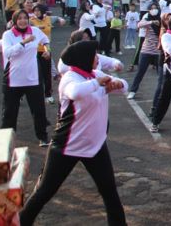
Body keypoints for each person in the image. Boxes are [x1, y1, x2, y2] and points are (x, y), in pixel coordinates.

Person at [19, 40, 128, 226]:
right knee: (45, 191)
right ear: (83, 59)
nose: (97, 59)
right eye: (94, 55)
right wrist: (97, 84)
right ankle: (22, 221)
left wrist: (117, 84)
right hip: (67, 146)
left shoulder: (95, 74)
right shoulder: (71, 78)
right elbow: (75, 92)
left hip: (95, 146)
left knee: (109, 191)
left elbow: (125, 86)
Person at [0, 10, 51, 146]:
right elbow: (8, 52)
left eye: (25, 18)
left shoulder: (34, 30)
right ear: (14, 20)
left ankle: (43, 137)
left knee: (38, 110)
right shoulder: (8, 34)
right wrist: (24, 42)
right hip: (13, 79)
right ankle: (6, 141)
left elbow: (45, 40)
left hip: (32, 78)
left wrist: (46, 50)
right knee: (9, 112)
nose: (23, 21)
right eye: (20, 18)